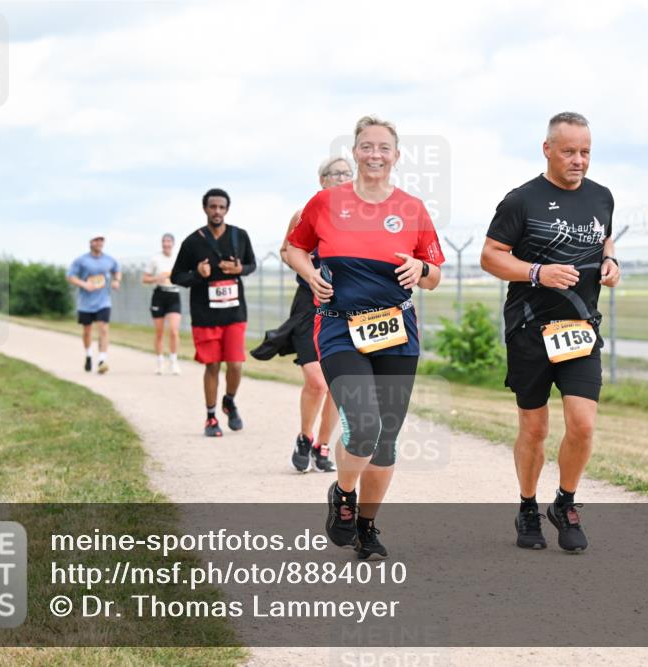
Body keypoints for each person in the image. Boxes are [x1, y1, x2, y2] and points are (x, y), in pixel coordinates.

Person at [286, 116, 445, 560]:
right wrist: (310, 272)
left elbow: (435, 273)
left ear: (396, 155)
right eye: (366, 146)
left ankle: (367, 527)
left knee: (387, 438)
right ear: (354, 151)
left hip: (396, 329)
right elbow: (295, 247)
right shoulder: (324, 202)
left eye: (384, 148)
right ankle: (343, 493)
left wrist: (421, 270)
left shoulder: (412, 208)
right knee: (365, 425)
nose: (375, 154)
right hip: (339, 326)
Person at [480, 111, 621, 553]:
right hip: (529, 330)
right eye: (569, 152)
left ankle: (565, 502)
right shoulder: (521, 200)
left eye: (585, 152)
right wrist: (537, 272)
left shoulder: (602, 197)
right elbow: (490, 256)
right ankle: (527, 506)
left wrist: (612, 261)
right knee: (535, 429)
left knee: (582, 425)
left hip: (579, 330)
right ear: (547, 150)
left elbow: (605, 238)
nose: (579, 160)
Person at [252, 156, 354, 473]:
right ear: (322, 180)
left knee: (339, 383)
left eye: (347, 174)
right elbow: (287, 250)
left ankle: (322, 446)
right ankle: (304, 436)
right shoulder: (305, 214)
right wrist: (310, 271)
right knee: (317, 381)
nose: (342, 178)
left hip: (346, 308)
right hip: (310, 305)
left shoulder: (360, 219)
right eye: (335, 174)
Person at [170, 189, 256, 437]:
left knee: (236, 364)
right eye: (212, 207)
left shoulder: (240, 236)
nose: (217, 211)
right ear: (205, 209)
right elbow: (177, 276)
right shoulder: (192, 242)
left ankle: (229, 400)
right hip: (205, 314)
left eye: (221, 207)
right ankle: (210, 417)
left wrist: (240, 268)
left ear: (227, 209)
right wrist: (198, 274)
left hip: (235, 312)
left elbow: (251, 265)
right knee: (212, 365)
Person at [66, 234, 121, 374]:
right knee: (87, 331)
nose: (99, 242)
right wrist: (84, 284)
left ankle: (102, 359)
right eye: (96, 240)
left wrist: (116, 281)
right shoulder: (81, 260)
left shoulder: (109, 260)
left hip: (103, 301)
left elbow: (117, 271)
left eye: (101, 240)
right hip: (86, 303)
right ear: (90, 242)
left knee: (103, 329)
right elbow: (70, 276)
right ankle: (89, 355)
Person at [142, 233, 182, 375]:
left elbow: (184, 275)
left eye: (169, 242)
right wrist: (156, 278)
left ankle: (173, 362)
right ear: (161, 243)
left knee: (173, 330)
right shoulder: (155, 259)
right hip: (159, 295)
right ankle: (159, 362)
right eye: (164, 242)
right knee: (159, 332)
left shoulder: (178, 258)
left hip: (173, 294)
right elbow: (144, 279)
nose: (166, 244)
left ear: (173, 243)